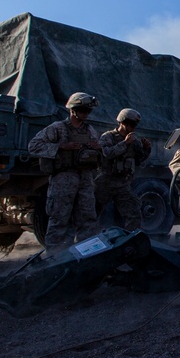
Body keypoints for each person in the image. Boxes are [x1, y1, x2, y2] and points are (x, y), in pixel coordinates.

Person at [28, 92, 103, 254]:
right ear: (73, 110)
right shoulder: (58, 129)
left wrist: (97, 149)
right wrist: (60, 147)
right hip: (63, 178)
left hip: (85, 179)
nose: (86, 114)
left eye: (88, 111)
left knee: (88, 219)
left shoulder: (90, 130)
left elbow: (96, 155)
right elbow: (33, 146)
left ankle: (88, 255)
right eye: (83, 110)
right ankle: (55, 257)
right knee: (60, 219)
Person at [95, 108, 152, 232]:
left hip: (122, 183)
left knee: (134, 213)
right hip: (105, 181)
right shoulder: (108, 137)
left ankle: (130, 240)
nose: (133, 128)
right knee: (91, 214)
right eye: (130, 124)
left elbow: (140, 160)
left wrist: (146, 148)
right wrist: (125, 143)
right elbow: (107, 153)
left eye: (135, 125)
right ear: (122, 122)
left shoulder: (134, 141)